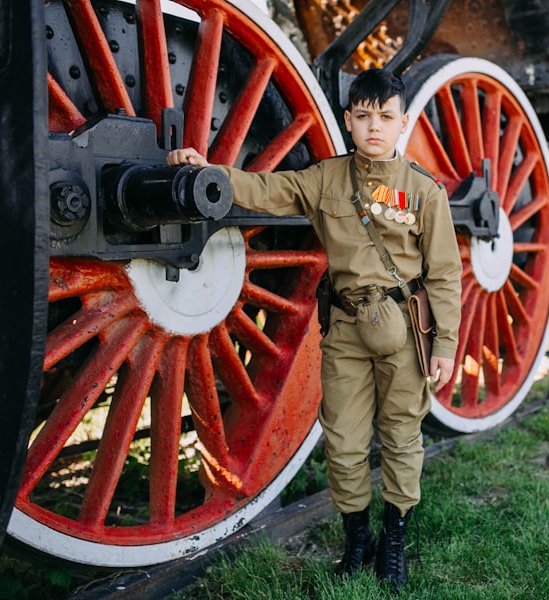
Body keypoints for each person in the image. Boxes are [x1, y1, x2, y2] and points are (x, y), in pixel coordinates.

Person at [167, 68, 462, 592]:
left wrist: (445, 345)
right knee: (344, 442)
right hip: (346, 328)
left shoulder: (424, 193)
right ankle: (357, 541)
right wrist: (209, 170)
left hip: (404, 330)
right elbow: (264, 188)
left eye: (386, 118)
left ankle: (393, 543)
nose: (376, 127)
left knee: (401, 437)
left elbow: (443, 275)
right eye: (365, 117)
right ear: (349, 121)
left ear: (403, 124)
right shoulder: (325, 179)